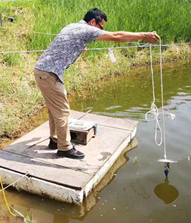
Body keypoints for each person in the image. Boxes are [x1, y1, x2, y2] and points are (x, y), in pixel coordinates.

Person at [34, 8, 160, 159]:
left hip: (43, 71)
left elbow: (67, 41)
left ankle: (55, 140)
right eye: (101, 27)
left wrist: (81, 45)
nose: (101, 31)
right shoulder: (87, 29)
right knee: (62, 111)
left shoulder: (72, 26)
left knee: (54, 108)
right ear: (93, 22)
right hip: (48, 73)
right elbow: (116, 36)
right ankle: (64, 148)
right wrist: (144, 36)